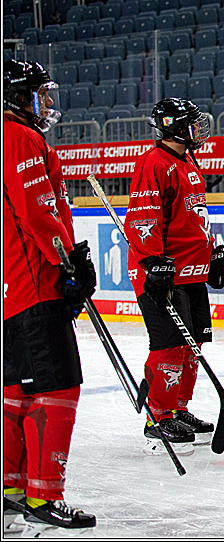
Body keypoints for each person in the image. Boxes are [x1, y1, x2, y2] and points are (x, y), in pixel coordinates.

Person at [3, 60, 97, 533]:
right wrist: (68, 264)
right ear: (16, 97)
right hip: (35, 285)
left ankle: (11, 487)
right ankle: (43, 495)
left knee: (16, 392)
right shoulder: (21, 137)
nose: (47, 102)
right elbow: (38, 211)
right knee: (59, 387)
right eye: (39, 94)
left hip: (9, 291)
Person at [125, 97, 224, 453]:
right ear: (173, 126)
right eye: (191, 123)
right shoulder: (154, 163)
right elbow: (143, 218)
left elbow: (195, 215)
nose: (197, 130)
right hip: (165, 276)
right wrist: (153, 263)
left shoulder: (187, 160)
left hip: (192, 273)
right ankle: (158, 415)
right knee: (170, 346)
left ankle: (177, 407)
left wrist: (213, 252)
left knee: (192, 345)